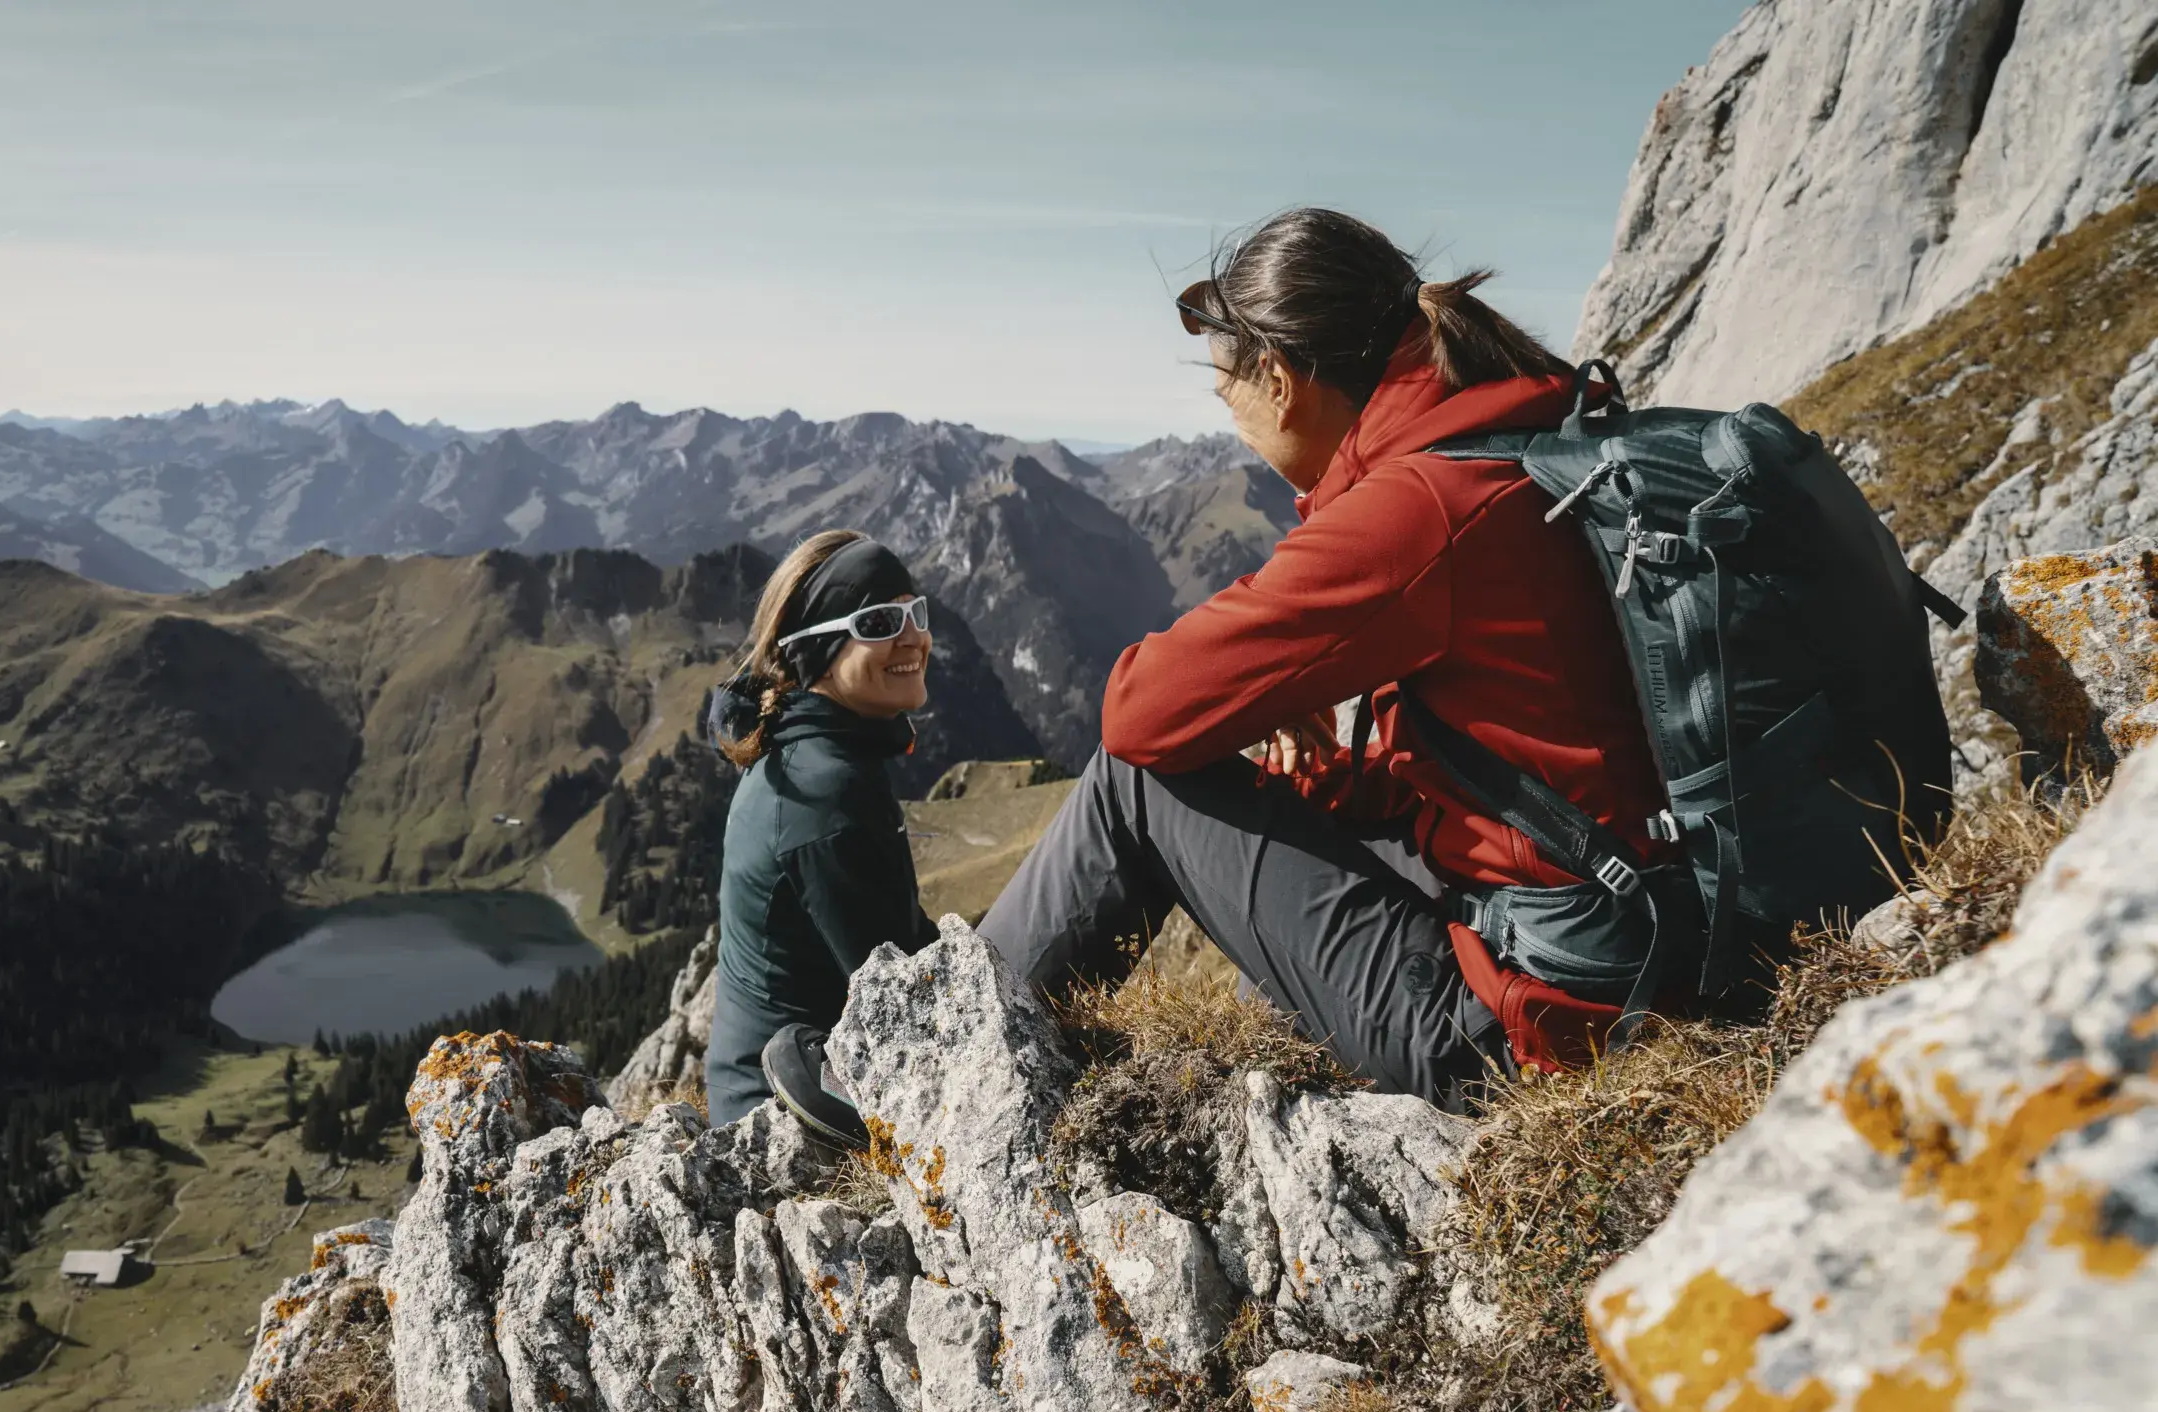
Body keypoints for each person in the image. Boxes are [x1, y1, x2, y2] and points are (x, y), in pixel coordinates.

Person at [964, 207, 1684, 1112]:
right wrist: (1324, 782)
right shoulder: (1526, 437)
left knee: (1132, 777)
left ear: (1277, 377)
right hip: (1646, 945)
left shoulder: (1420, 506)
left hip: (1533, 1030)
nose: (1237, 433)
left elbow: (1138, 710)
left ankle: (954, 1057)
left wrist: (1262, 697)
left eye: (1230, 399)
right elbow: (1522, 756)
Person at [703, 530, 939, 1139]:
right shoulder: (827, 792)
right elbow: (902, 999)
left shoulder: (806, 756)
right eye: (882, 620)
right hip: (791, 1117)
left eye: (917, 611)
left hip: (767, 1088)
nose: (914, 635)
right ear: (818, 652)